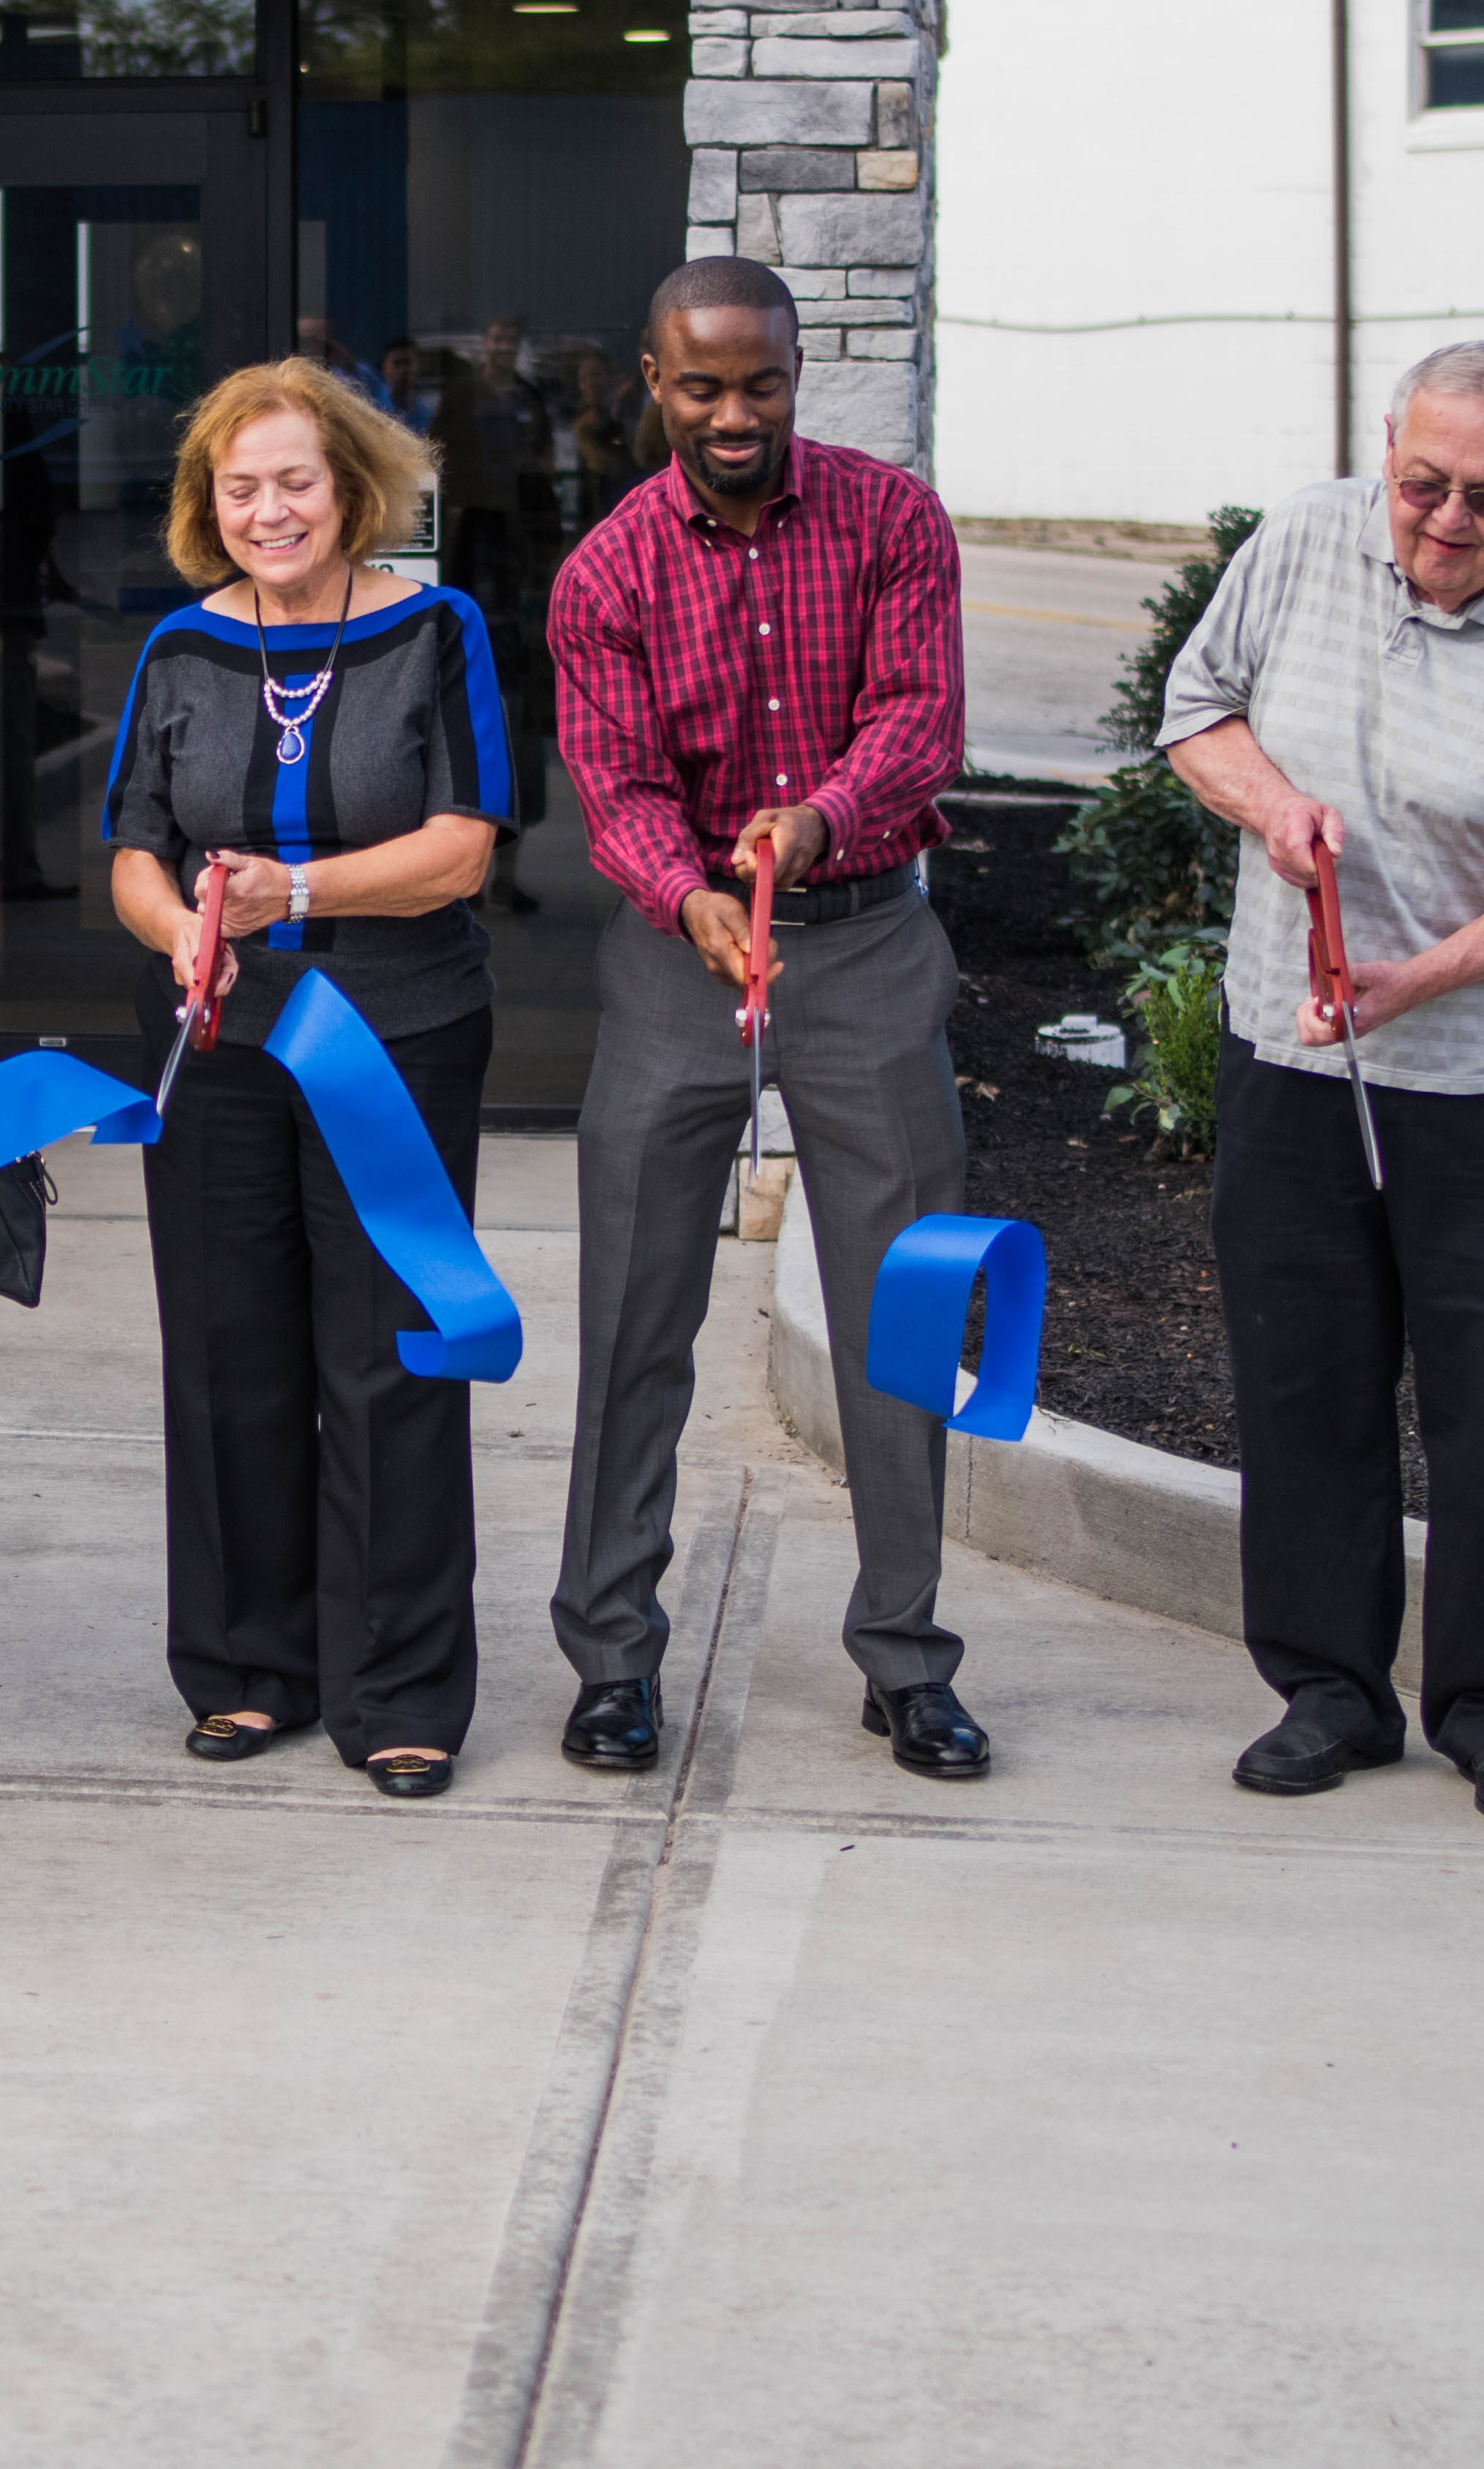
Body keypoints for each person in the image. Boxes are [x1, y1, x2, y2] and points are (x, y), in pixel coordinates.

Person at [1154, 340, 1484, 1830]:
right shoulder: (1302, 539)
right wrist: (1272, 804)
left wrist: (1418, 975)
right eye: (1420, 483)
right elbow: (1197, 709)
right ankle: (1327, 1690)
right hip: (1295, 1050)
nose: (1444, 520)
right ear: (1383, 450)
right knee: (1302, 1384)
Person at [546, 259, 982, 1784]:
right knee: (634, 1312)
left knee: (897, 1306)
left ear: (797, 370)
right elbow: (614, 790)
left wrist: (816, 826)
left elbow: (917, 718)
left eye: (762, 382)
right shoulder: (603, 571)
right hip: (677, 957)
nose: (734, 414)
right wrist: (689, 892)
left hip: (860, 937)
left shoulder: (888, 518)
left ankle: (907, 1655)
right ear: (648, 382)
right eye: (701, 385)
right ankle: (609, 1657)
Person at [104, 356, 512, 1800]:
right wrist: (183, 933)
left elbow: (463, 846)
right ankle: (243, 1667)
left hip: (389, 1032)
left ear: (348, 486)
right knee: (227, 1353)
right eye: (240, 485)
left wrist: (294, 887)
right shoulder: (174, 652)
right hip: (217, 1037)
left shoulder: (434, 626)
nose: (268, 508)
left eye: (294, 479)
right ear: (204, 504)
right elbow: (133, 854)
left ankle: (397, 1686)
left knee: (391, 1349)